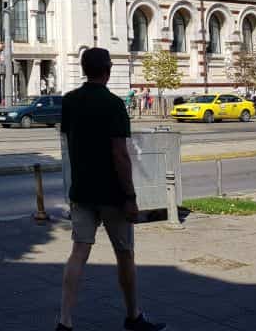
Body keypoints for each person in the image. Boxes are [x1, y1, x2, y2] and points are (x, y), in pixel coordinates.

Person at [56, 47, 165, 331]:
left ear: (83, 69)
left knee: (79, 252)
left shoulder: (69, 101)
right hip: (112, 194)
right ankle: (133, 316)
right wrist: (130, 196)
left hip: (81, 190)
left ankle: (64, 320)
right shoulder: (114, 104)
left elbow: (67, 143)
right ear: (108, 70)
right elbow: (120, 154)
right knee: (124, 253)